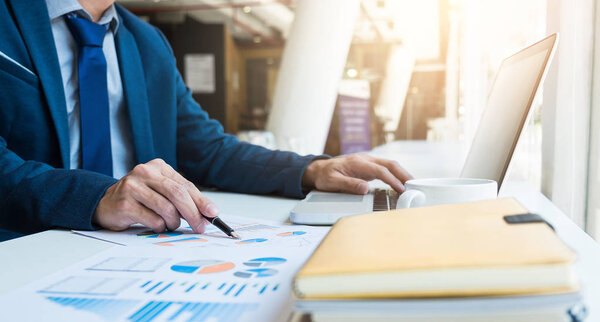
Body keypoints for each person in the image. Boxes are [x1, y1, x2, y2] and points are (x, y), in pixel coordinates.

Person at [0, 0, 412, 241]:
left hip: (134, 246)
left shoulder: (146, 43)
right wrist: (97, 196)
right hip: (26, 245)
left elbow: (205, 147)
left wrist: (310, 169)